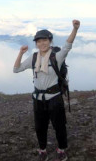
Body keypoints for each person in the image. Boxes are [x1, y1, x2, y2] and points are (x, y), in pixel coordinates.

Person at [13, 20, 80, 161]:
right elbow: (16, 69)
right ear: (36, 43)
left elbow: (68, 45)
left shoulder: (57, 57)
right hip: (38, 99)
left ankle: (61, 149)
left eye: (45, 40)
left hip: (54, 98)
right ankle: (42, 150)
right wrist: (20, 53)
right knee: (40, 127)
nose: (42, 43)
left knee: (59, 126)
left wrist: (75, 29)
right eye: (39, 41)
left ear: (50, 41)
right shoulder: (33, 58)